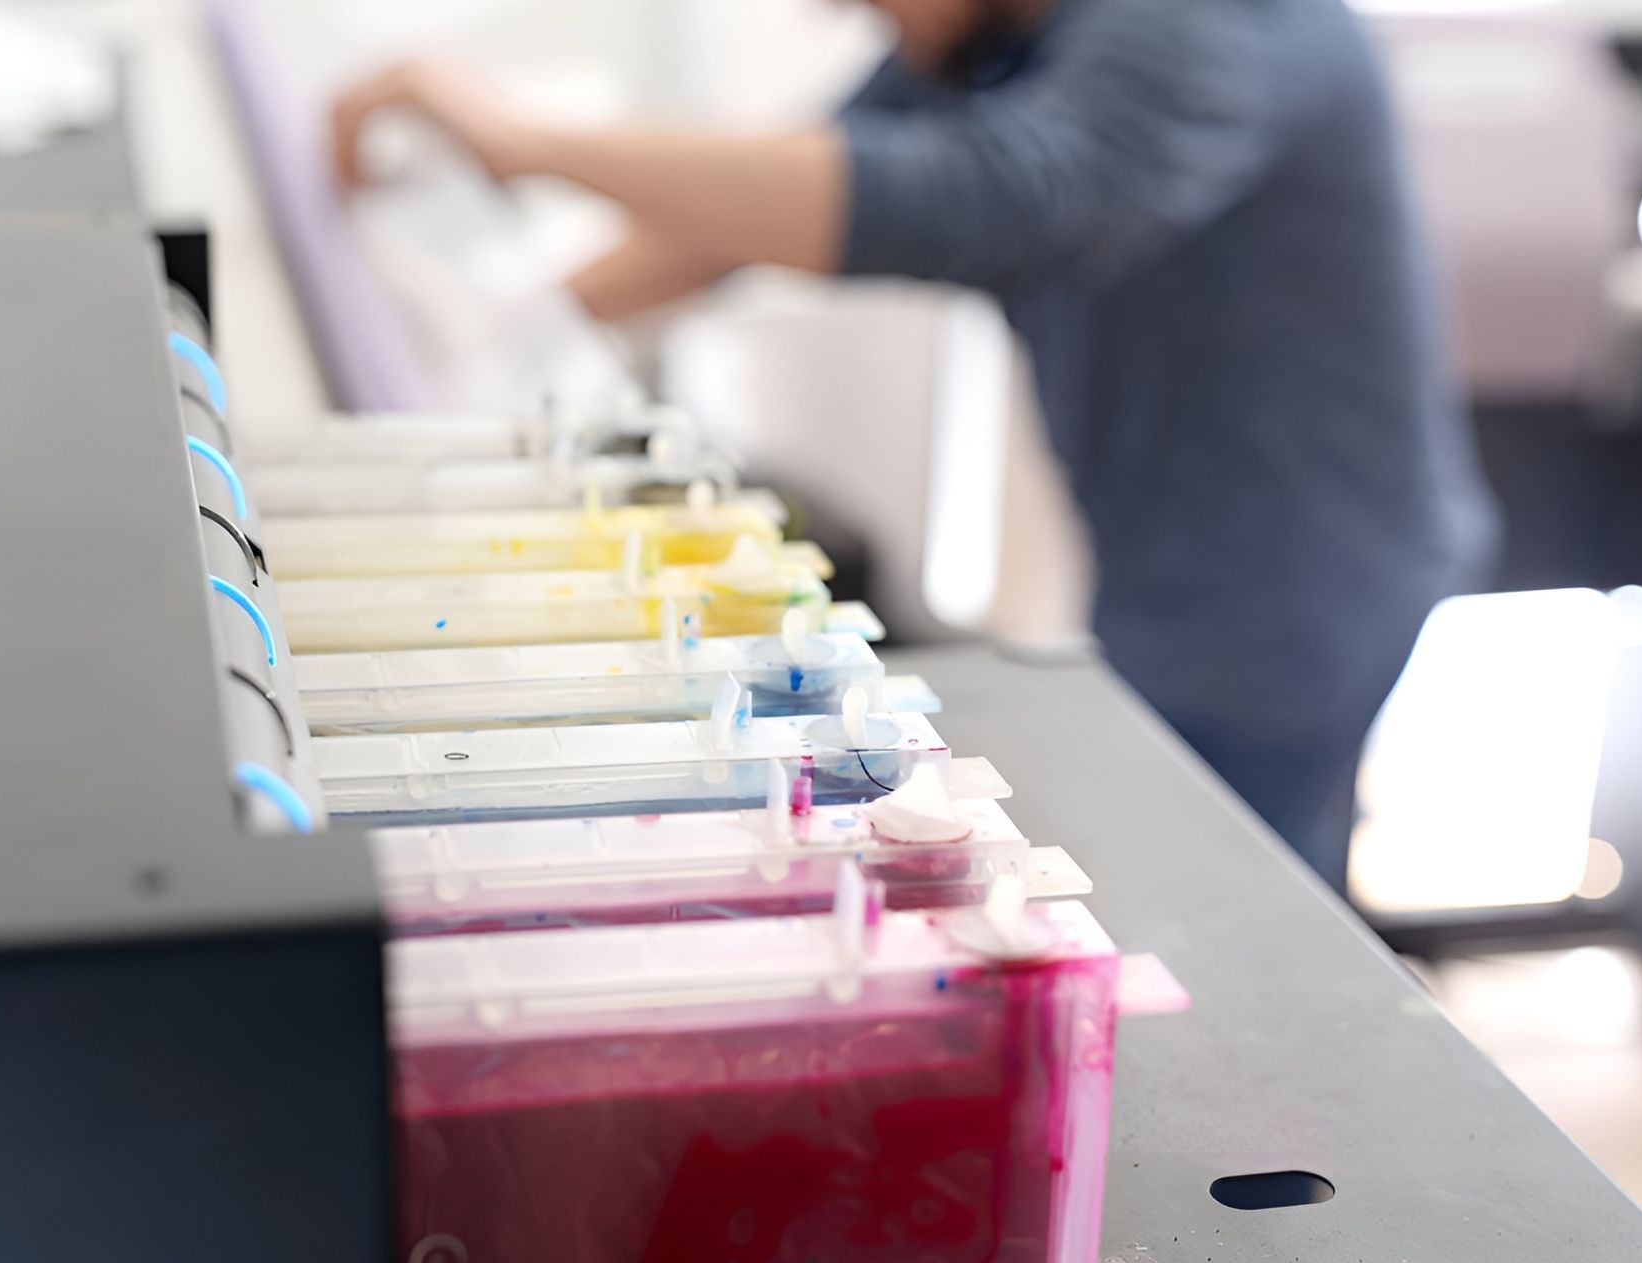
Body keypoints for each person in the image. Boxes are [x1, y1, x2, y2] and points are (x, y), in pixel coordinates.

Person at [329, 0, 1499, 896]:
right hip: (1180, 565)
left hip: (1296, 593)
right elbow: (771, 205)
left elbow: (993, 195)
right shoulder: (995, 37)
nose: (849, 14)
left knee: (1231, 932)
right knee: (1216, 900)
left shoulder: (1218, 20)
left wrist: (527, 143)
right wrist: (489, 338)